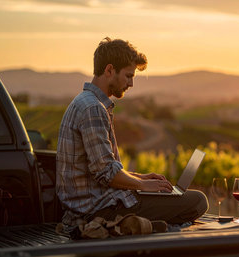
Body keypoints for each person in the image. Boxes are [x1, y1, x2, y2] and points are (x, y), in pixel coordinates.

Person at [56, 37, 208, 232]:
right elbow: (106, 173)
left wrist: (142, 178)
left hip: (94, 205)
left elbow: (101, 168)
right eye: (128, 76)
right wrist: (143, 186)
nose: (131, 83)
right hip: (98, 210)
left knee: (181, 200)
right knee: (198, 201)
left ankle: (152, 227)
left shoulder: (85, 102)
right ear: (109, 70)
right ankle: (141, 227)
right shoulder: (93, 108)